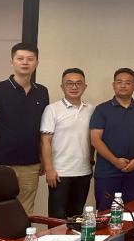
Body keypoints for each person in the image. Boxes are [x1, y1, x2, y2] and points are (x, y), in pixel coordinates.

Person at [0, 42, 49, 214]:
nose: (25, 62)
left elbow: (43, 128)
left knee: (26, 211)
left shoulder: (42, 92)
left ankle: (24, 234)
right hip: (1, 163)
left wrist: (43, 158)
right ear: (12, 61)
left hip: (30, 163)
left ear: (37, 62)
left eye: (30, 59)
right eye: (20, 58)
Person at [90, 68, 134, 211]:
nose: (123, 85)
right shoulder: (101, 109)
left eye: (128, 83)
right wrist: (115, 161)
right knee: (106, 213)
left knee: (132, 212)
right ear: (113, 85)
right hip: (107, 173)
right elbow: (95, 140)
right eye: (119, 82)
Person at [40, 68, 95, 219]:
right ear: (62, 86)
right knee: (57, 218)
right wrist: (49, 169)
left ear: (85, 86)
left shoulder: (92, 110)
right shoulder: (52, 109)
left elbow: (93, 140)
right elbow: (45, 140)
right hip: (60, 173)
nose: (74, 87)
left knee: (76, 217)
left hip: (83, 172)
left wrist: (91, 162)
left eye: (78, 83)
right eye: (69, 83)